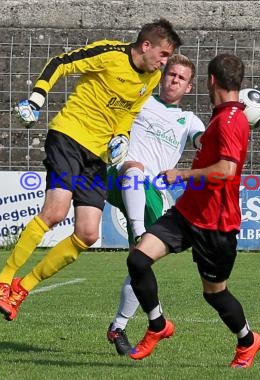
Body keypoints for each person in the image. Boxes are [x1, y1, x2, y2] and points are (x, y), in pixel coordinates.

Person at [0, 19, 182, 321]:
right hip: (69, 137)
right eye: (164, 54)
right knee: (54, 212)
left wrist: (122, 137)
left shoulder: (152, 78)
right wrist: (37, 99)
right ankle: (2, 279)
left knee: (88, 234)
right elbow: (60, 63)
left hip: (98, 156)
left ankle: (22, 288)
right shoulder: (110, 54)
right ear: (146, 46)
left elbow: (128, 112)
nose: (165, 62)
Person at [126, 53, 260, 369]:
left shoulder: (230, 120)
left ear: (210, 81)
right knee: (137, 259)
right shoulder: (223, 116)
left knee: (215, 294)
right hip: (189, 212)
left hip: (216, 224)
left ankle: (247, 341)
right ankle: (158, 325)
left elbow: (227, 170)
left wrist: (182, 174)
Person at [104, 53, 205, 355]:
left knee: (140, 263)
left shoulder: (188, 120)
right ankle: (136, 232)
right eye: (170, 74)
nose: (174, 80)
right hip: (121, 176)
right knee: (133, 167)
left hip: (153, 193)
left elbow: (203, 141)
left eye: (181, 78)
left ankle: (118, 326)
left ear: (189, 87)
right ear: (163, 77)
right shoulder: (142, 99)